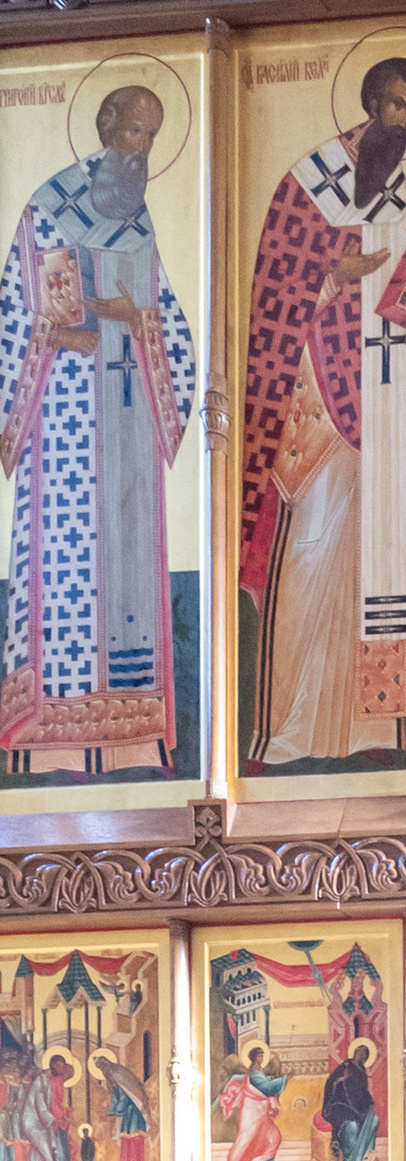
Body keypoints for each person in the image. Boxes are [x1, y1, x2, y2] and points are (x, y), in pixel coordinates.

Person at [238, 57, 406, 769]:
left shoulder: (394, 189)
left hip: (382, 397)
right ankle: (289, 728)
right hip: (314, 402)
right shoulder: (309, 181)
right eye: (396, 103)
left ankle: (368, 727)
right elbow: (273, 290)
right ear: (370, 100)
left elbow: (400, 292)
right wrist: (333, 277)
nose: (403, 121)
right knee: (307, 556)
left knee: (374, 558)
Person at [0, 88, 196, 777]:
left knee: (131, 567)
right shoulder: (51, 207)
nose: (140, 148)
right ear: (106, 127)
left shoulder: (134, 217)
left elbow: (159, 310)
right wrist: (76, 329)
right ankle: (49, 736)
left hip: (129, 416)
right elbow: (24, 312)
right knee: (69, 570)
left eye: (151, 135)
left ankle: (131, 740)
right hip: (65, 424)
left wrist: (134, 320)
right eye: (133, 131)